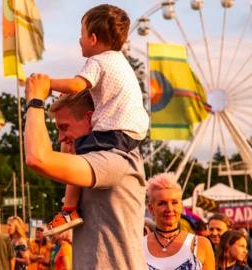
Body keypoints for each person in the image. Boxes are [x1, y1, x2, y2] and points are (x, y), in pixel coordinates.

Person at [32, 4, 149, 236]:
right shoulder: (120, 63)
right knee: (75, 154)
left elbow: (76, 85)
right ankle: (69, 210)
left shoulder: (98, 61)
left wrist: (45, 85)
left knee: (74, 155)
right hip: (131, 134)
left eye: (82, 33)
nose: (79, 39)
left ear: (93, 38)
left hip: (112, 134)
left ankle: (68, 210)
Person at [24, 77, 146, 268]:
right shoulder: (100, 161)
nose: (61, 138)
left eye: (64, 127)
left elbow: (37, 158)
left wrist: (35, 101)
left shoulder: (114, 160)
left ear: (90, 118)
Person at [144, 172, 215, 270]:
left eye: (174, 202)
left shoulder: (201, 244)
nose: (169, 209)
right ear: (151, 208)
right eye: (162, 203)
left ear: (181, 206)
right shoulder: (138, 246)